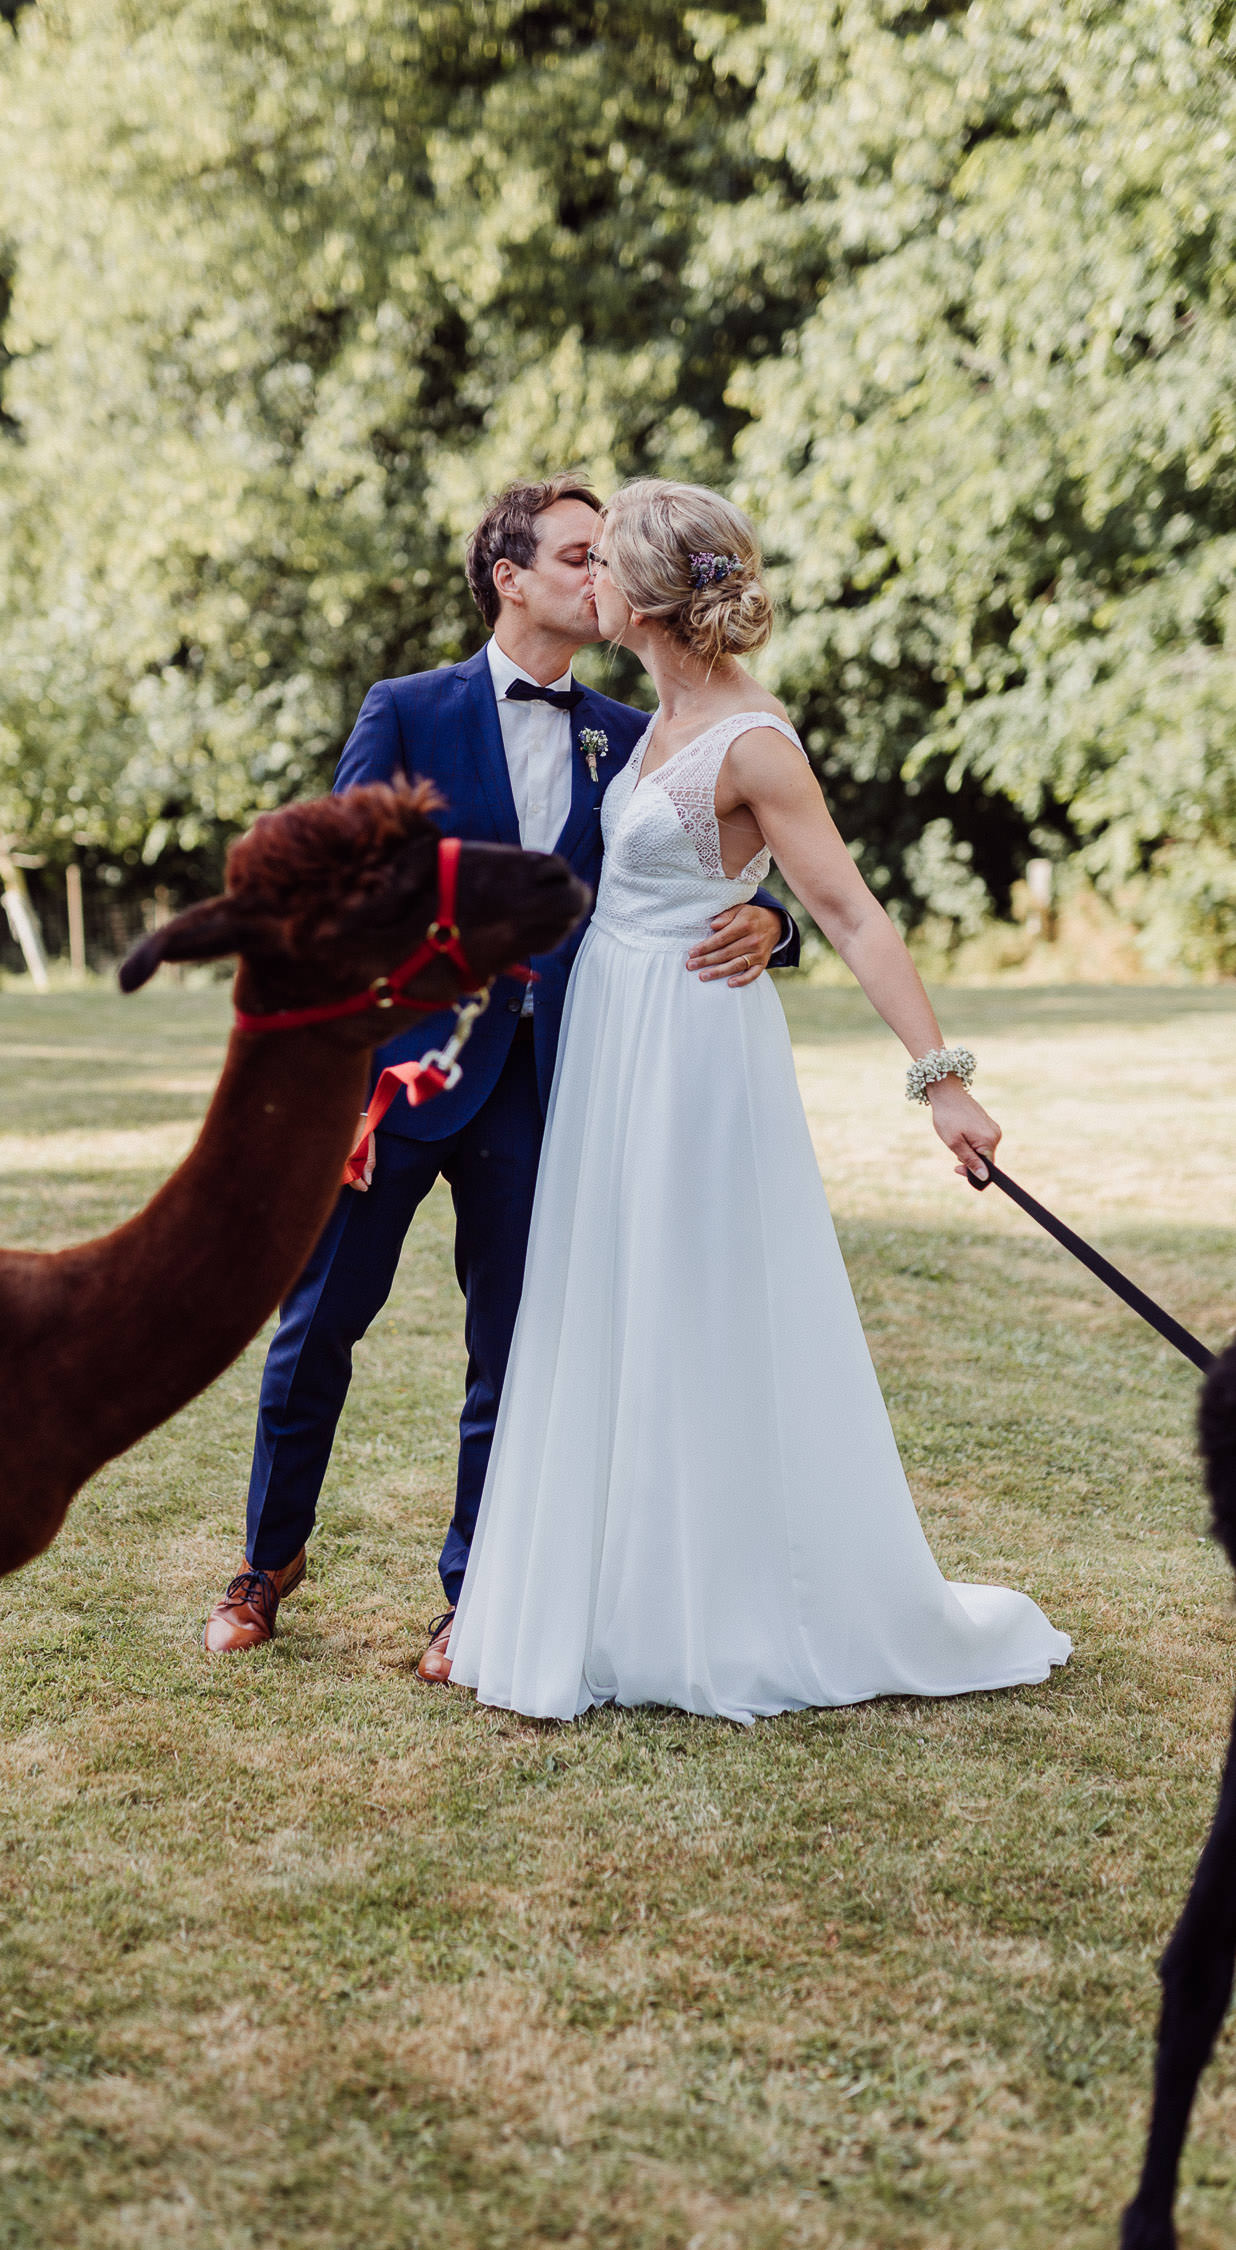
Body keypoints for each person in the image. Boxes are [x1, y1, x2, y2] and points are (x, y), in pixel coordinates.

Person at [446, 478, 1070, 1722]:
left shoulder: (753, 742)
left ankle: (712, 1610)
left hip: (689, 1047)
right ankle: (610, 1594)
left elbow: (848, 909)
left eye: (605, 563)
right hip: (614, 1036)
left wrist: (940, 1084)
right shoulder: (649, 725)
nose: (590, 580)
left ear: (653, 596)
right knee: (609, 1300)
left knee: (689, 1300)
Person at [202, 474, 802, 1673]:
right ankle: (266, 1562)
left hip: (552, 1085)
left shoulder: (638, 736)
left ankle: (475, 1591)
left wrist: (774, 922)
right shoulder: (408, 710)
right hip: (398, 1079)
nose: (603, 572)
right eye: (578, 554)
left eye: (609, 556)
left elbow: (718, 851)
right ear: (509, 576)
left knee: (516, 1345)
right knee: (318, 1325)